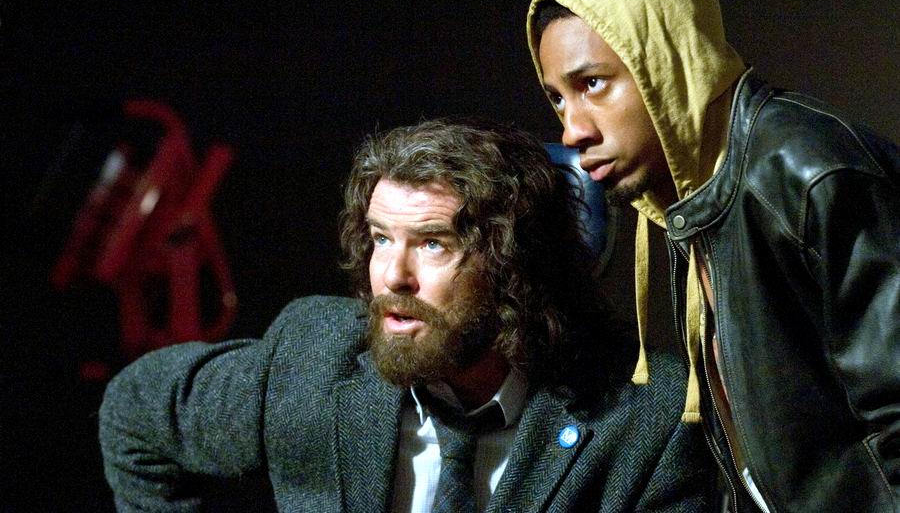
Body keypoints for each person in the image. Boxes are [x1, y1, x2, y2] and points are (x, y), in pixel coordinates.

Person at [99, 119, 715, 512]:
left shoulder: (647, 419)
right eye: (380, 238)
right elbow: (135, 412)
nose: (392, 276)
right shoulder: (314, 363)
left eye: (433, 244)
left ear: (514, 266)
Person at [526, 0, 900, 513]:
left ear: (665, 59)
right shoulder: (696, 197)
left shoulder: (807, 173)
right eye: (557, 99)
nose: (573, 130)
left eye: (592, 84)